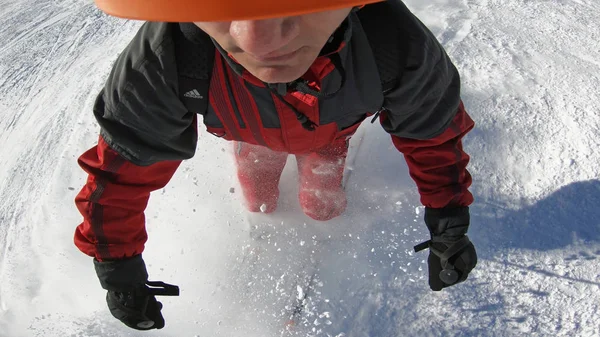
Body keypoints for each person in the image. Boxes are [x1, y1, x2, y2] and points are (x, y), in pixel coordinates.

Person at [74, 0, 478, 331]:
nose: (258, 40)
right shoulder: (173, 55)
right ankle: (269, 216)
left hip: (327, 132)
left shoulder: (389, 44)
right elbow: (125, 164)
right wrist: (117, 262)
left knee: (320, 203)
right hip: (251, 134)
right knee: (258, 196)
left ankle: (320, 218)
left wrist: (449, 218)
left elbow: (432, 135)